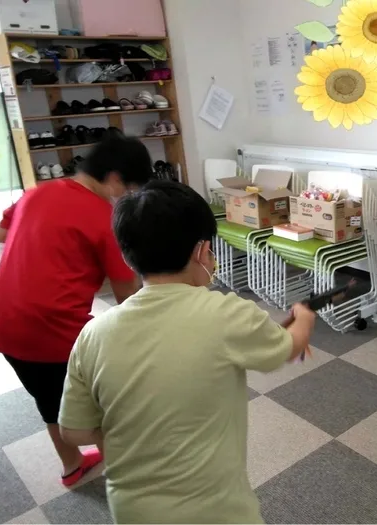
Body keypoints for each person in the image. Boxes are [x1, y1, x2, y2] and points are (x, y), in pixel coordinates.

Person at [58, 180, 316, 524]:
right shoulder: (228, 313)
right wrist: (303, 318)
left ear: (126, 254)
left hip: (133, 510)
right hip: (216, 509)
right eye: (211, 252)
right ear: (201, 251)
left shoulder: (92, 334)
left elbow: (73, 432)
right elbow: (287, 347)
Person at [0, 136, 150, 487]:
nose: (128, 197)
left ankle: (72, 465)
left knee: (52, 400)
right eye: (131, 188)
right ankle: (132, 480)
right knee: (101, 402)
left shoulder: (37, 192)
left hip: (3, 324)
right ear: (114, 178)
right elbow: (128, 295)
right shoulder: (105, 217)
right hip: (52, 330)